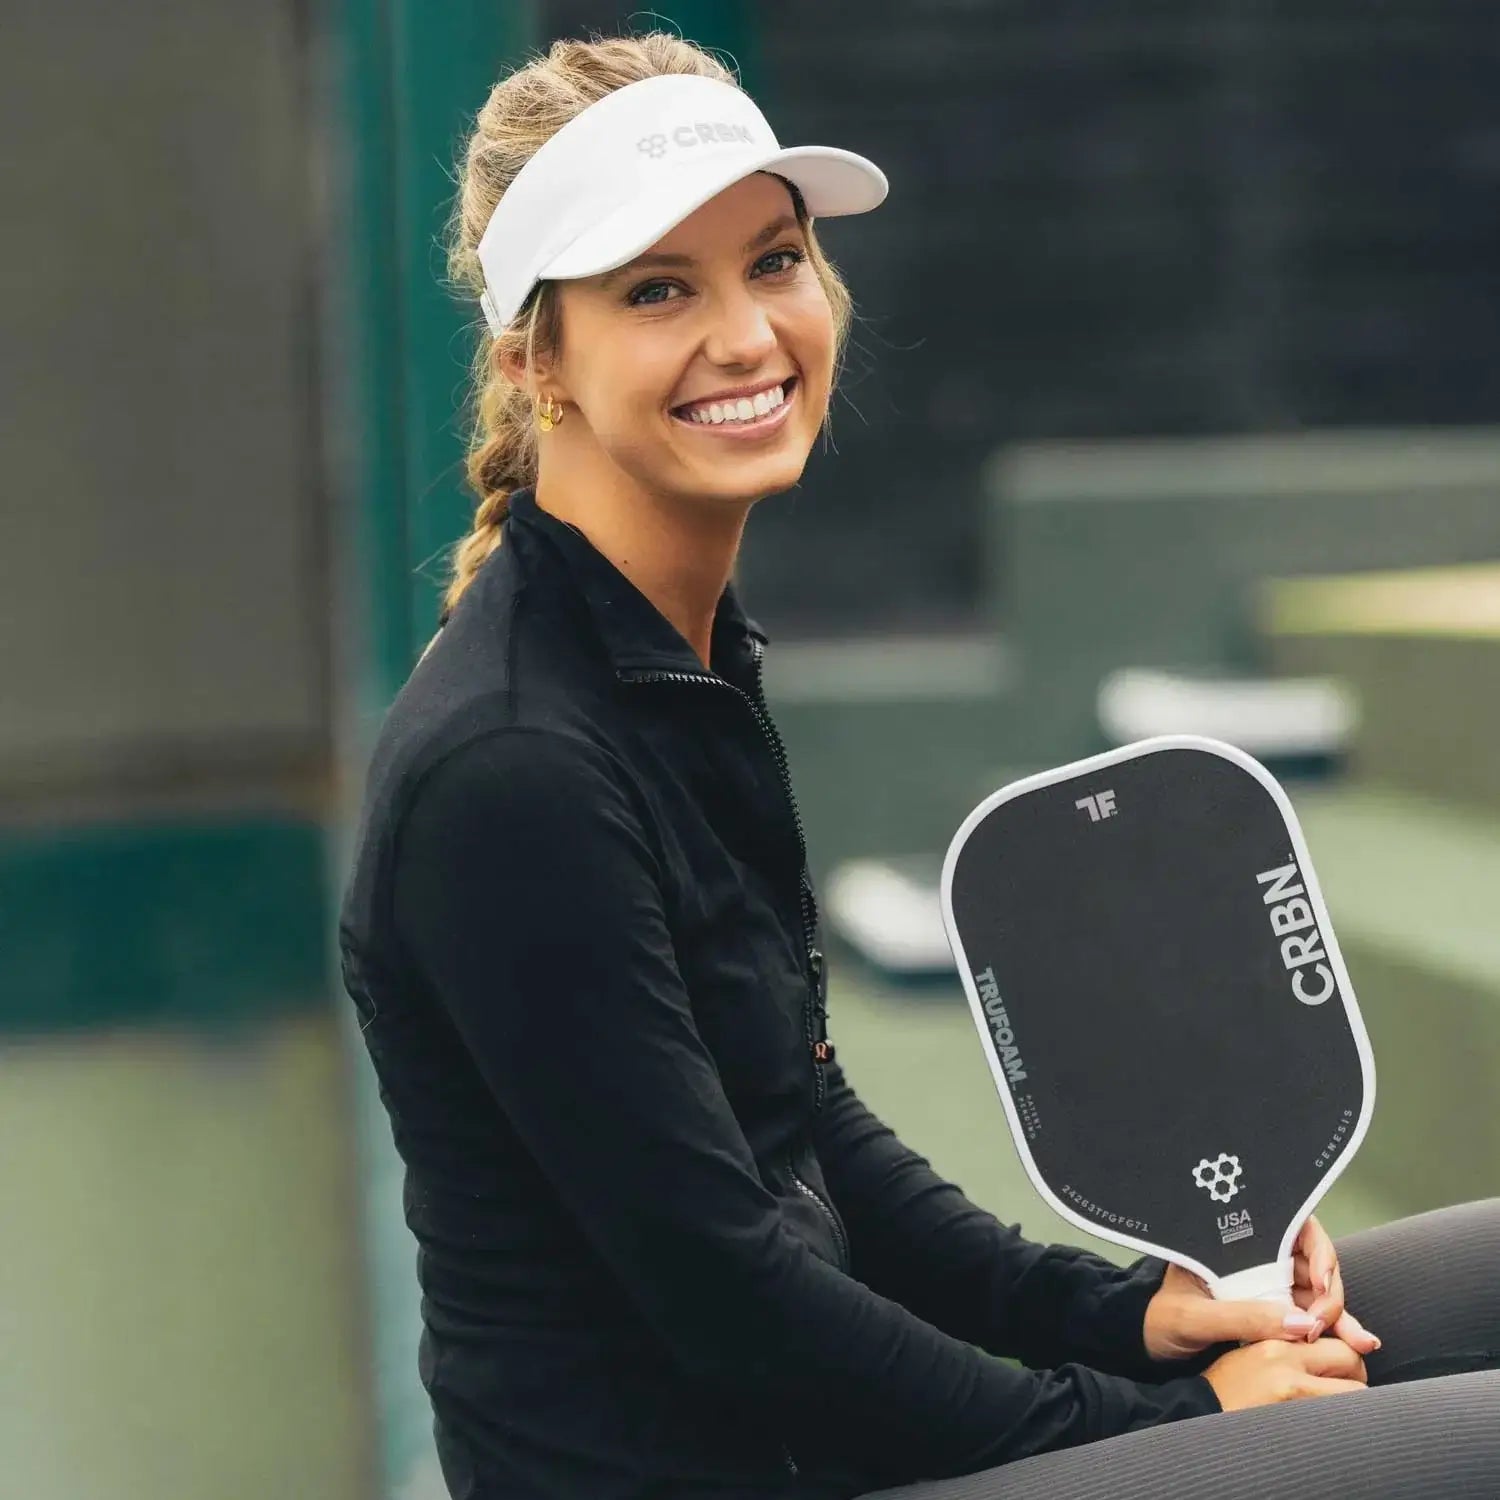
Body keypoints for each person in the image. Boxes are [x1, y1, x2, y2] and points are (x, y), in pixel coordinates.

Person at [338, 31, 1500, 1500]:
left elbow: (801, 1124)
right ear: (536, 364)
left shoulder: (668, 667)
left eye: (773, 261)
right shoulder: (509, 771)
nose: (750, 334)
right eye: (656, 291)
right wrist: (1177, 1427)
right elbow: (732, 1300)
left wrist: (1132, 1315)